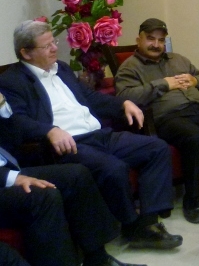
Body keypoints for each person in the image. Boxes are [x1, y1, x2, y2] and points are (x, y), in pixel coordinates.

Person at [0, 20, 181, 251]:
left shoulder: (61, 68)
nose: (54, 48)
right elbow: (16, 121)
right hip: (69, 144)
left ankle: (147, 223)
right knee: (113, 168)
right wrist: (49, 130)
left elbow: (91, 98)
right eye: (46, 46)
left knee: (156, 148)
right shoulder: (12, 81)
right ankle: (131, 226)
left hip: (97, 134)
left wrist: (123, 103)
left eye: (54, 42)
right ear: (26, 52)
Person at [114, 18, 199, 224]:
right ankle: (193, 199)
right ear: (139, 39)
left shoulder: (178, 59)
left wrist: (195, 80)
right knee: (195, 138)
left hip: (197, 111)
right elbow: (126, 97)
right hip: (165, 118)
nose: (156, 44)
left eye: (161, 40)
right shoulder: (130, 67)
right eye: (151, 39)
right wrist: (163, 84)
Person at [0, 96, 144, 266]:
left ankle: (98, 259)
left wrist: (2, 107)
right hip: (4, 178)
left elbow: (13, 139)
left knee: (76, 175)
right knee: (42, 195)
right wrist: (10, 177)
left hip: (8, 168)